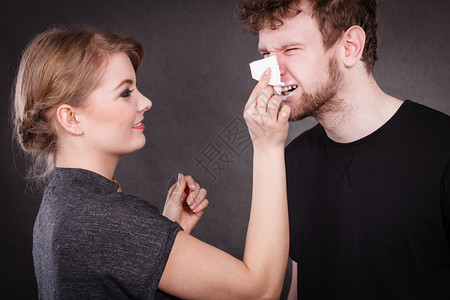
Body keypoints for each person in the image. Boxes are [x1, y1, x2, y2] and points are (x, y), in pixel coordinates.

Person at [12, 26, 291, 299]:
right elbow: (260, 290)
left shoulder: (62, 203)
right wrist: (268, 145)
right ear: (71, 119)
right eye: (125, 93)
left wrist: (163, 234)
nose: (145, 102)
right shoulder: (105, 219)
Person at [238, 0, 450, 299]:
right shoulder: (292, 159)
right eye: (265, 54)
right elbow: (301, 285)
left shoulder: (442, 148)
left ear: (350, 46)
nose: (271, 74)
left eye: (291, 50)